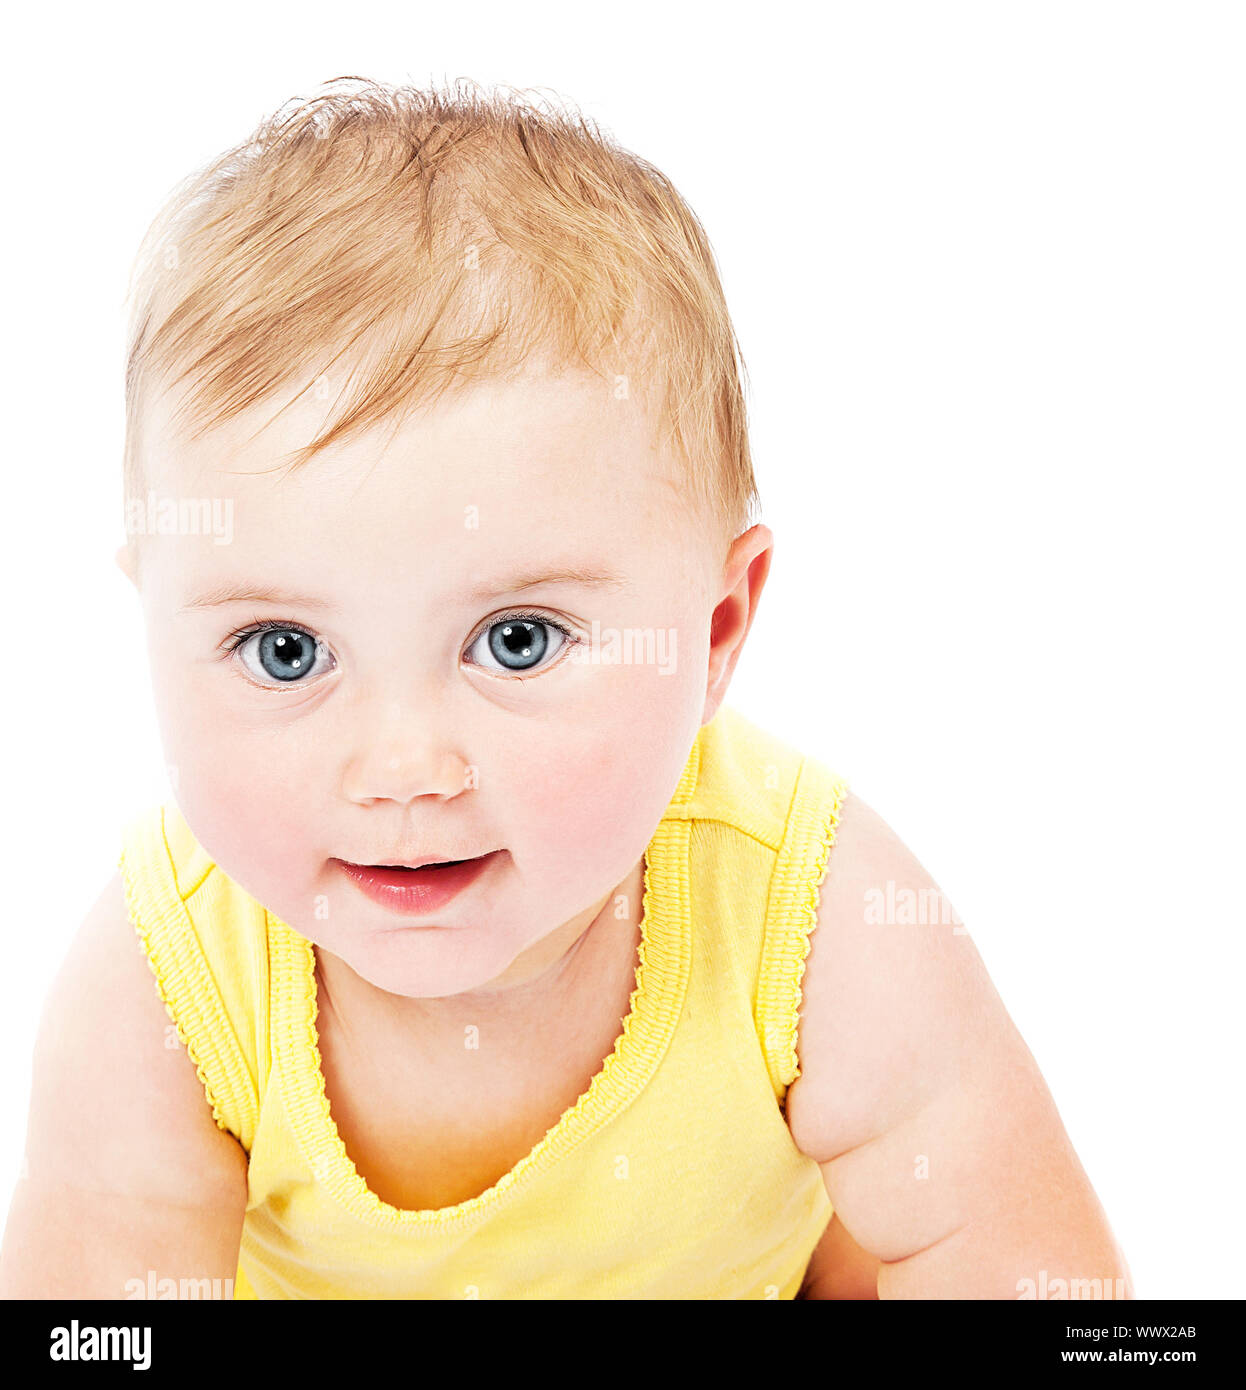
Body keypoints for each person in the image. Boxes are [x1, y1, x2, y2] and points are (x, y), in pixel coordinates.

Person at [0, 76, 1131, 1299]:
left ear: (714, 627)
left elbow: (1044, 1283)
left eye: (520, 640)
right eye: (285, 650)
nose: (403, 769)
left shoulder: (815, 923)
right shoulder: (169, 980)